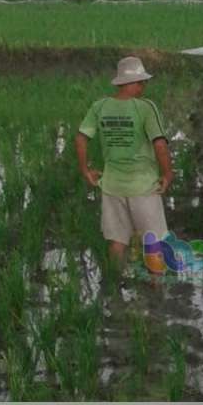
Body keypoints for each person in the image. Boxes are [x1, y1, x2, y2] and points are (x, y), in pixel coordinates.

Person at [75, 56, 173, 272]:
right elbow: (159, 145)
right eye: (141, 82)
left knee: (117, 242)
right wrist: (167, 174)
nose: (143, 87)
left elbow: (81, 139)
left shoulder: (100, 106)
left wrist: (85, 170)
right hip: (143, 186)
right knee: (153, 242)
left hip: (112, 186)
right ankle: (157, 286)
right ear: (135, 83)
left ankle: (114, 283)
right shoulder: (146, 107)